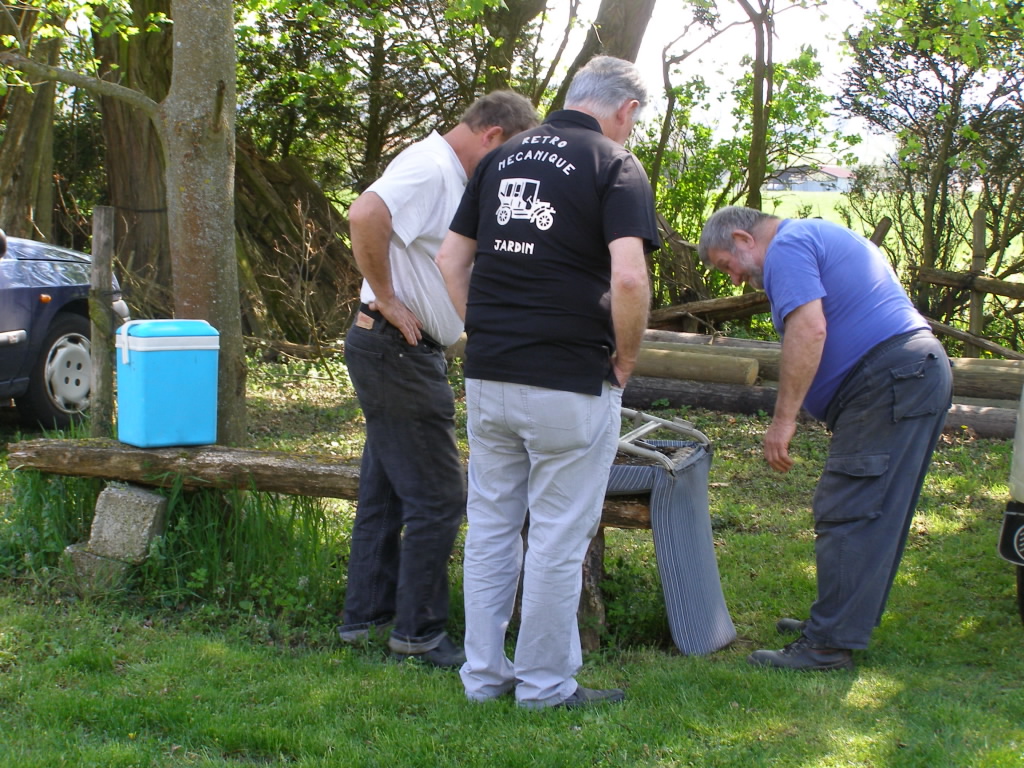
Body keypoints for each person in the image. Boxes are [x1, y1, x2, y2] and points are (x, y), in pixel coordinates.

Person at [436, 55, 658, 709]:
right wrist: (626, 358)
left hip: (491, 378)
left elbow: (451, 258)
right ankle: (543, 687)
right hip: (570, 376)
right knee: (559, 537)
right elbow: (628, 278)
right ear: (627, 111)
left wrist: (485, 330)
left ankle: (482, 678)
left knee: (493, 527)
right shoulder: (615, 165)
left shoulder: (502, 157)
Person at [698, 206, 953, 671]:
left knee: (851, 508)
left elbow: (809, 328)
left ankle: (827, 646)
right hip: (906, 376)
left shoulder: (788, 248)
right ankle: (837, 623)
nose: (732, 279)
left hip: (892, 379)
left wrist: (783, 421)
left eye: (724, 264)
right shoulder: (811, 237)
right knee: (872, 510)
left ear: (743, 238)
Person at [338, 91, 539, 668]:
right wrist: (388, 297)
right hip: (395, 348)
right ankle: (419, 635)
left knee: (385, 491)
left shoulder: (447, 171)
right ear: (493, 137)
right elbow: (364, 213)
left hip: (395, 350)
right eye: (512, 155)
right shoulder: (430, 167)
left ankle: (366, 620)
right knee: (439, 495)